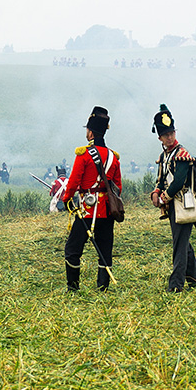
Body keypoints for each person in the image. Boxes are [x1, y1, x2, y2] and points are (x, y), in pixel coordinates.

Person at [60, 106, 122, 292]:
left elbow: (73, 182)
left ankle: (73, 287)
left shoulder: (84, 154)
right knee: (105, 249)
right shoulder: (114, 157)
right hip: (107, 210)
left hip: (87, 210)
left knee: (72, 249)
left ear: (91, 132)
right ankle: (103, 287)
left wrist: (67, 199)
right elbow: (117, 187)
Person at [149, 104, 196, 293]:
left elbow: (179, 181)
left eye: (172, 133)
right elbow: (161, 179)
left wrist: (163, 198)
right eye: (166, 135)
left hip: (183, 203)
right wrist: (156, 192)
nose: (170, 137)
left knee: (179, 245)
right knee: (183, 243)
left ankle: (176, 285)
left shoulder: (181, 155)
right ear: (160, 138)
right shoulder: (164, 155)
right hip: (173, 204)